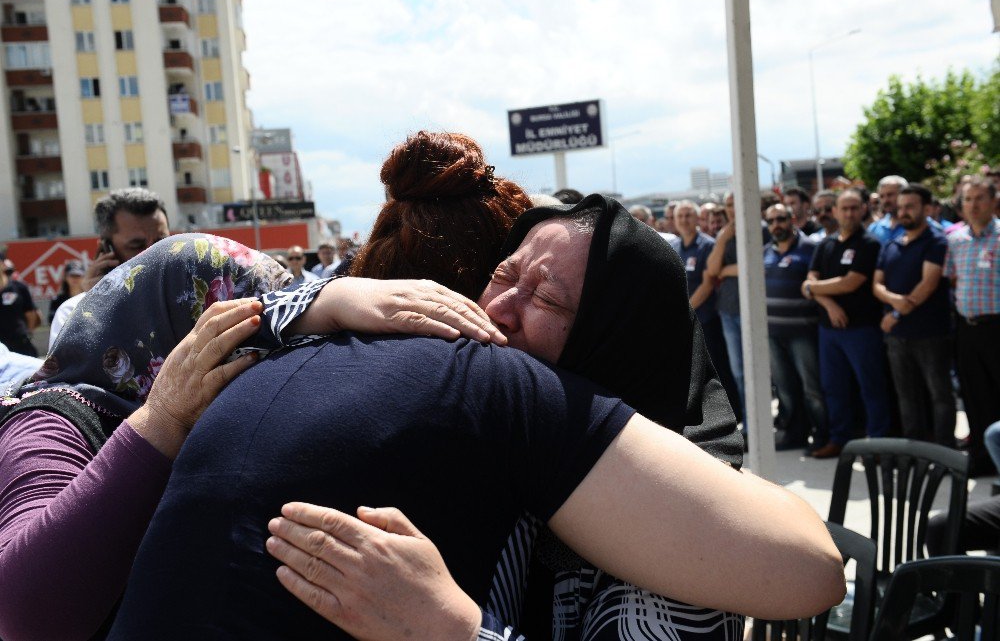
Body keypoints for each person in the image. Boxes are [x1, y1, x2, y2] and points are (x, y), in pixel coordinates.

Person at [110, 199, 842, 640]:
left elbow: (814, 574)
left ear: (615, 341)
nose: (498, 309)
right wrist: (333, 302)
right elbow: (212, 343)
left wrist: (450, 629)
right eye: (503, 274)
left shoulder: (677, 535)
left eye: (546, 300)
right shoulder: (504, 432)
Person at [0, 232, 503, 641]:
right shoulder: (50, 422)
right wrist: (161, 421)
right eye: (239, 346)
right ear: (175, 338)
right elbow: (25, 614)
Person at [803, 187, 890, 458]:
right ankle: (839, 440)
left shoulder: (870, 243)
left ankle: (878, 443)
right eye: (844, 208)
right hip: (829, 331)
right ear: (836, 212)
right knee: (834, 388)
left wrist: (815, 290)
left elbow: (850, 282)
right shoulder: (825, 244)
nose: (849, 213)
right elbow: (808, 282)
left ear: (863, 209)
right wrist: (828, 303)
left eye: (855, 208)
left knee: (871, 387)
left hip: (862, 329)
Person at [872, 183, 955, 446]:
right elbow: (876, 285)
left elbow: (927, 285)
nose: (904, 212)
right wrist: (897, 303)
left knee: (939, 395)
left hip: (930, 334)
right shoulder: (892, 244)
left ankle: (944, 450)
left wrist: (895, 312)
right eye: (901, 207)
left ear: (927, 209)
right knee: (906, 396)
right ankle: (915, 450)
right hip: (897, 337)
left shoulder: (937, 241)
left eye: (911, 207)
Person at [49, 188, 171, 348]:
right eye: (137, 245)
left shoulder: (198, 295)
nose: (154, 253)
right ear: (106, 249)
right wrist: (96, 308)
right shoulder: (71, 314)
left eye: (162, 242)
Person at [944, 178, 1000, 477]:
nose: (974, 205)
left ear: (994, 201)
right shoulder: (956, 240)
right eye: (968, 199)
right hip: (968, 329)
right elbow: (953, 279)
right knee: (974, 396)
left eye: (980, 198)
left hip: (997, 327)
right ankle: (980, 457)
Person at [672, 200, 743, 425]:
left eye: (688, 215)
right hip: (685, 322)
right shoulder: (674, 247)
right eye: (680, 216)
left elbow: (709, 282)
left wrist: (687, 309)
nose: (684, 220)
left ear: (697, 219)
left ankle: (733, 418)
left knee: (720, 372)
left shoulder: (707, 245)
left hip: (707, 320)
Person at [762, 203, 826, 451]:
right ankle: (795, 434)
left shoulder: (810, 248)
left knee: (812, 388)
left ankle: (822, 435)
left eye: (781, 218)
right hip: (773, 332)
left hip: (803, 331)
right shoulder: (764, 251)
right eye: (771, 221)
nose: (776, 224)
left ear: (792, 219)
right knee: (785, 388)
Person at [706, 192, 746, 431]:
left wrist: (727, 269)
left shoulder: (759, 227)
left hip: (749, 312)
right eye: (729, 205)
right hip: (728, 311)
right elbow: (713, 269)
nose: (732, 209)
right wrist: (722, 239)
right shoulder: (725, 234)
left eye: (735, 203)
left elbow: (756, 264)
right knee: (738, 372)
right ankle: (747, 424)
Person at [868, 175, 944, 245]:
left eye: (890, 195)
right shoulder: (874, 229)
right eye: (881, 196)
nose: (885, 200)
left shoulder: (931, 228)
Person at [0, 259, 40, 356]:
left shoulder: (19, 288)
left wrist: (29, 333)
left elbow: (31, 314)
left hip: (20, 344)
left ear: (2, 265)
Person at [47, 260, 85, 324]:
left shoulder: (90, 297)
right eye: (72, 275)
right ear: (65, 277)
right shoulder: (57, 301)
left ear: (84, 277)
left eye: (78, 275)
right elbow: (53, 321)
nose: (75, 279)